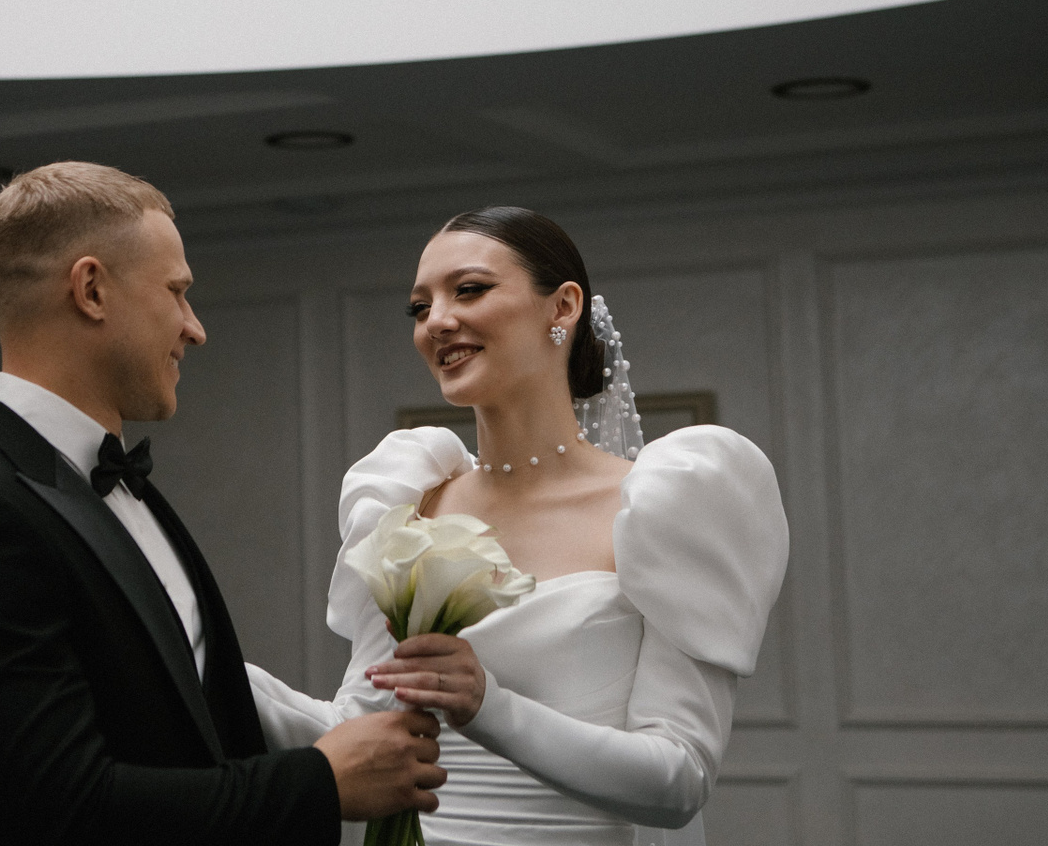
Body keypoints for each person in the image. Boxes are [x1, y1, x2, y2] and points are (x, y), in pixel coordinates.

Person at [0, 161, 447, 846]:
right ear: (91, 290)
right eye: (177, 292)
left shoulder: (118, 486)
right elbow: (61, 809)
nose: (194, 328)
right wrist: (319, 781)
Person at [246, 206, 789, 846]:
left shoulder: (669, 507)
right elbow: (355, 727)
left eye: (469, 290)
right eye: (419, 307)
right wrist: (203, 661)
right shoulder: (407, 501)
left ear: (563, 307)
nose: (436, 321)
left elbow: (680, 780)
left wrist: (489, 706)